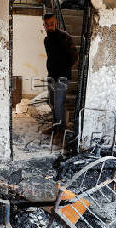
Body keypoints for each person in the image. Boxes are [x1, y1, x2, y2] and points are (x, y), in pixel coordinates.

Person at [42, 13, 78, 141]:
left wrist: (65, 69)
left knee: (59, 104)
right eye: (47, 24)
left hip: (62, 77)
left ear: (55, 23)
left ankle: (61, 130)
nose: (49, 26)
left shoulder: (64, 37)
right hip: (52, 76)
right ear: (44, 25)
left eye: (51, 23)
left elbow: (74, 56)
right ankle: (55, 126)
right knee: (52, 103)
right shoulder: (46, 40)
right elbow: (51, 58)